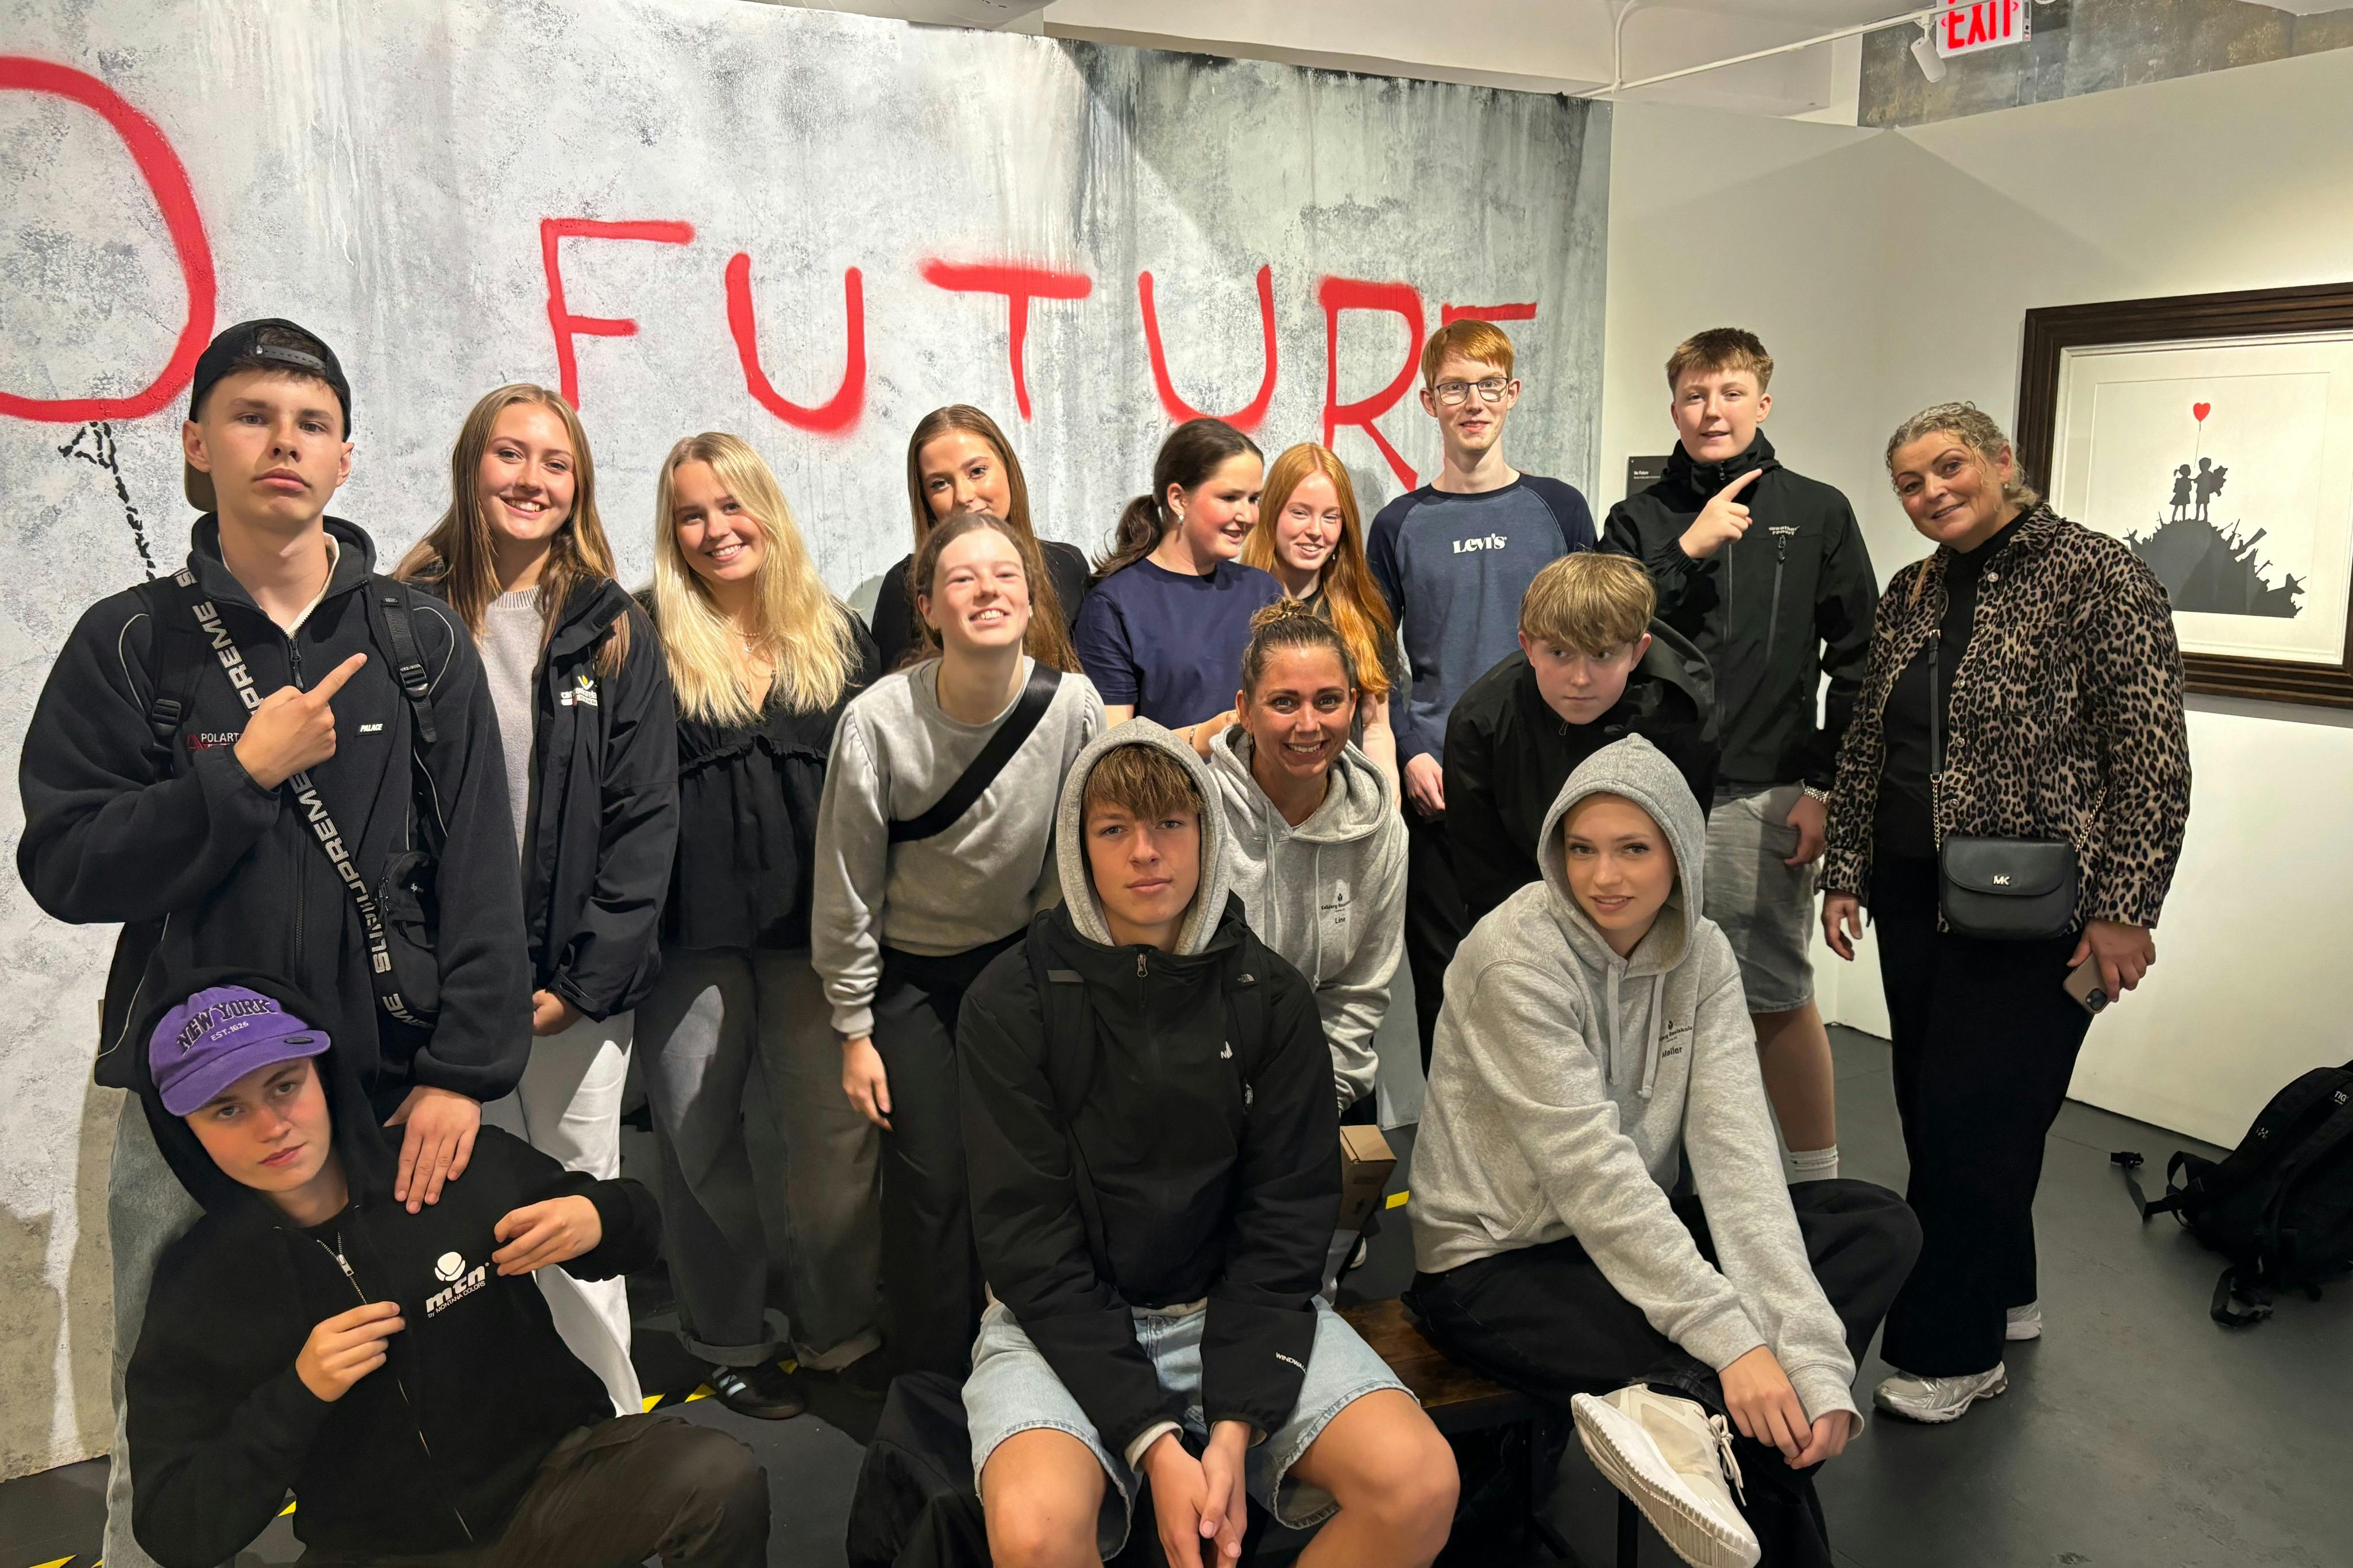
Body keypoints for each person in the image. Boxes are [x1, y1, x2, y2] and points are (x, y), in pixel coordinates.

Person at [16, 319, 529, 1568]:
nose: (281, 444)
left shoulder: (416, 644)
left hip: (387, 1088)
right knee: (174, 1383)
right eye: (251, 417)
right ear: (197, 445)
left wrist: (464, 1069)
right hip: (200, 1099)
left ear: (345, 456)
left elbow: (477, 874)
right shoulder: (134, 644)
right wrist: (236, 778)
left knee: (423, 1368)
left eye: (309, 423)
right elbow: (65, 865)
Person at [1406, 737, 1919, 1568]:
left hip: (1623, 1243)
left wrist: (1810, 1359)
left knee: (1876, 1223)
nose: (1603, 876)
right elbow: (1594, 1176)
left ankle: (1679, 1408)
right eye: (1581, 848)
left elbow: (1739, 1157)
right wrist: (1738, 1344)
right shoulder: (1513, 957)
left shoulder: (1703, 953)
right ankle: (1693, 1406)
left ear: (1679, 852)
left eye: (1633, 848)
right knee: (1738, 1384)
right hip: (1495, 1264)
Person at [956, 725, 1459, 1568]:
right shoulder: (1011, 1002)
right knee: (1035, 1530)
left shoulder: (1270, 994)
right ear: (1077, 846)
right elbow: (1028, 1244)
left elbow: (1287, 1220)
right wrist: (1154, 1440)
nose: (1146, 853)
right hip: (1060, 1319)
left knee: (1419, 1482)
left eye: (1172, 825)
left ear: (1209, 833)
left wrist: (1233, 1427)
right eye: (1115, 829)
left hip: (1229, 1306)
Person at [122, 973, 766, 1568]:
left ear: (322, 1076)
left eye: (284, 1085)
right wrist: (298, 1391)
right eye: (226, 1110)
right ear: (187, 1131)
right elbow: (175, 1528)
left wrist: (599, 1215)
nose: (270, 1127)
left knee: (714, 1478)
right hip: (375, 1549)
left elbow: (640, 1229)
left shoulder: (446, 1165)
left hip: (553, 1493)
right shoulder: (202, 1284)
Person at [1822, 403, 2190, 1424]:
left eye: (1949, 468)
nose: (1932, 492)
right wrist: (1845, 867)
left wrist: (2125, 909)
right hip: (1910, 892)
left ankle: (1954, 1348)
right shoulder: (1912, 590)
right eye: (1909, 482)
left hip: (2035, 903)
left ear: (2000, 462)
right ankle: (2007, 1289)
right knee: (1944, 1109)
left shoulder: (2096, 574)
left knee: (1972, 1118)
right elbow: (1865, 745)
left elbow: (2150, 756)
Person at [396, 384, 679, 1409]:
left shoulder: (613, 630)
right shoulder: (402, 614)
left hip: (572, 1000)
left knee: (572, 1221)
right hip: (445, 995)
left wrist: (582, 984)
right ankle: (497, 1461)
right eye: (509, 455)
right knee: (450, 1235)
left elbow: (646, 822)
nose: (530, 479)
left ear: (580, 483)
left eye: (554, 462)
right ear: (473, 466)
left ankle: (614, 1443)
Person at [813, 509, 1105, 1378]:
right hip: (909, 980)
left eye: (1006, 575)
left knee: (1025, 1173)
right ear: (928, 605)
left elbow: (1073, 864)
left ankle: (1028, 1368)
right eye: (964, 578)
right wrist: (854, 1027)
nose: (988, 590)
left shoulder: (1073, 705)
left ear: (1031, 596)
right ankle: (935, 1380)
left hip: (1019, 963)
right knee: (933, 1181)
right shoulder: (877, 723)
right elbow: (848, 882)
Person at [638, 432, 882, 1418]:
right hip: (684, 938)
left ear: (767, 511)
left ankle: (836, 1332)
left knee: (832, 1146)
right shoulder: (643, 634)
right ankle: (728, 1335)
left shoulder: (837, 633)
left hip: (813, 935)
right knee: (698, 1146)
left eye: (731, 506)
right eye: (691, 513)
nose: (714, 530)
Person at [1602, 329, 1877, 1188]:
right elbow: (1601, 630)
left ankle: (1815, 1182)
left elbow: (1862, 661)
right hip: (1647, 791)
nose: (1710, 410)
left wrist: (1825, 789)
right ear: (1673, 406)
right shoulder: (1639, 518)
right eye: (1693, 395)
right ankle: (1660, 1178)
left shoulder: (1819, 508)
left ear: (1762, 401)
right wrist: (1688, 549)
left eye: (1728, 393)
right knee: (1647, 994)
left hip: (1764, 793)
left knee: (1773, 995)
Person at [1365, 318, 1595, 1065]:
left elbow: (1596, 637)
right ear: (1429, 401)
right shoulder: (1400, 524)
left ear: (1513, 394)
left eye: (1489, 385)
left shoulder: (1559, 509)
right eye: (1455, 387)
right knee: (1449, 989)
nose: (1473, 401)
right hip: (1441, 788)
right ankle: (1457, 1170)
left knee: (1554, 985)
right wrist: (1406, 751)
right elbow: (1373, 656)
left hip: (1549, 781)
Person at [1198, 599, 1406, 1121]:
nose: (1309, 725)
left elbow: (1359, 990)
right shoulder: (1195, 813)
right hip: (1201, 1087)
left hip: (1319, 1086)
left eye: (1328, 700)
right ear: (1244, 709)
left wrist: (1319, 1107)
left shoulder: (1380, 832)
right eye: (1285, 703)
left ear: (1355, 703)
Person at [1446, 551, 1716, 929]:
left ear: (1638, 652)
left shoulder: (1681, 713)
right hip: (1526, 911)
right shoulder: (1481, 722)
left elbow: (1679, 853)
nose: (1580, 678)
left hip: (1645, 913)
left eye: (1603, 655)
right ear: (1528, 647)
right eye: (1559, 653)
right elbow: (1485, 875)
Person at [1074, 417, 1282, 729]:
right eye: (1230, 498)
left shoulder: (1262, 591)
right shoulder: (1115, 605)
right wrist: (1206, 737)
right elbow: (1115, 747)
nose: (1248, 516)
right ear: (1178, 499)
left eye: (1254, 499)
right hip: (1167, 779)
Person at [869, 404, 1090, 672]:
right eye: (940, 484)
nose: (963, 496)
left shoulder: (1066, 565)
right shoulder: (905, 586)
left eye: (977, 471)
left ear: (1008, 469)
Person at [1237, 443, 1401, 781]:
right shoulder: (1233, 605)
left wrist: (1388, 810)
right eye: (1300, 512)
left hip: (1344, 805)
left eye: (1331, 517)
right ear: (1271, 513)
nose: (1315, 530)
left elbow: (1376, 728)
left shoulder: (1363, 611)